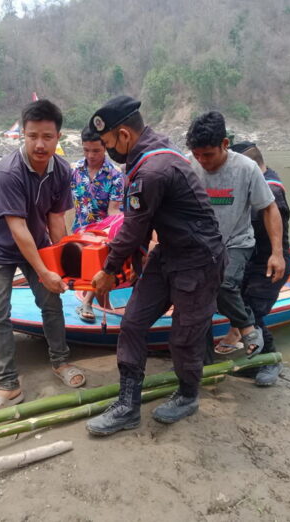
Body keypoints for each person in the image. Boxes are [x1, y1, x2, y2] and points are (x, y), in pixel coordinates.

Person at [84, 95, 227, 436]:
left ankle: (189, 395)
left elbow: (134, 227)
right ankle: (128, 405)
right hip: (168, 253)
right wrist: (129, 267)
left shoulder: (152, 169)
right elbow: (141, 224)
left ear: (124, 135)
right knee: (132, 322)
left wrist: (107, 271)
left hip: (198, 259)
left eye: (107, 144)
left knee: (185, 336)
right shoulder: (149, 155)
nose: (107, 151)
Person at [0, 99, 86, 412]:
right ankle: (9, 385)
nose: (40, 144)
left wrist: (65, 266)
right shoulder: (7, 172)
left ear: (58, 137)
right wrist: (43, 271)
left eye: (47, 137)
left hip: (36, 243)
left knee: (52, 301)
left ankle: (60, 362)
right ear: (22, 135)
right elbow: (17, 229)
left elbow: (55, 219)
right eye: (32, 136)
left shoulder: (62, 170)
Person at [186, 112, 285, 359]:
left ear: (225, 144)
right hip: (202, 245)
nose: (202, 161)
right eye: (197, 154)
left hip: (237, 242)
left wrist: (277, 253)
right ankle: (204, 362)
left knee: (224, 282)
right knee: (199, 304)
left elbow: (269, 208)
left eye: (208, 154)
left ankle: (247, 327)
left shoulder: (246, 168)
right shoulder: (190, 164)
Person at [224, 142, 290, 386]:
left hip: (268, 266)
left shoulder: (271, 189)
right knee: (240, 308)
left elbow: (272, 222)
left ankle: (271, 360)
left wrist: (277, 254)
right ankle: (254, 362)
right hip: (248, 263)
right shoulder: (259, 180)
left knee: (253, 313)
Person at [70, 126, 124, 322]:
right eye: (86, 150)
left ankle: (87, 302)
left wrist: (110, 233)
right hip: (80, 229)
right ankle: (106, 307)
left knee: (99, 266)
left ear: (105, 148)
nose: (90, 155)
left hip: (103, 232)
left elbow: (114, 210)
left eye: (96, 151)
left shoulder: (115, 175)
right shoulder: (74, 170)